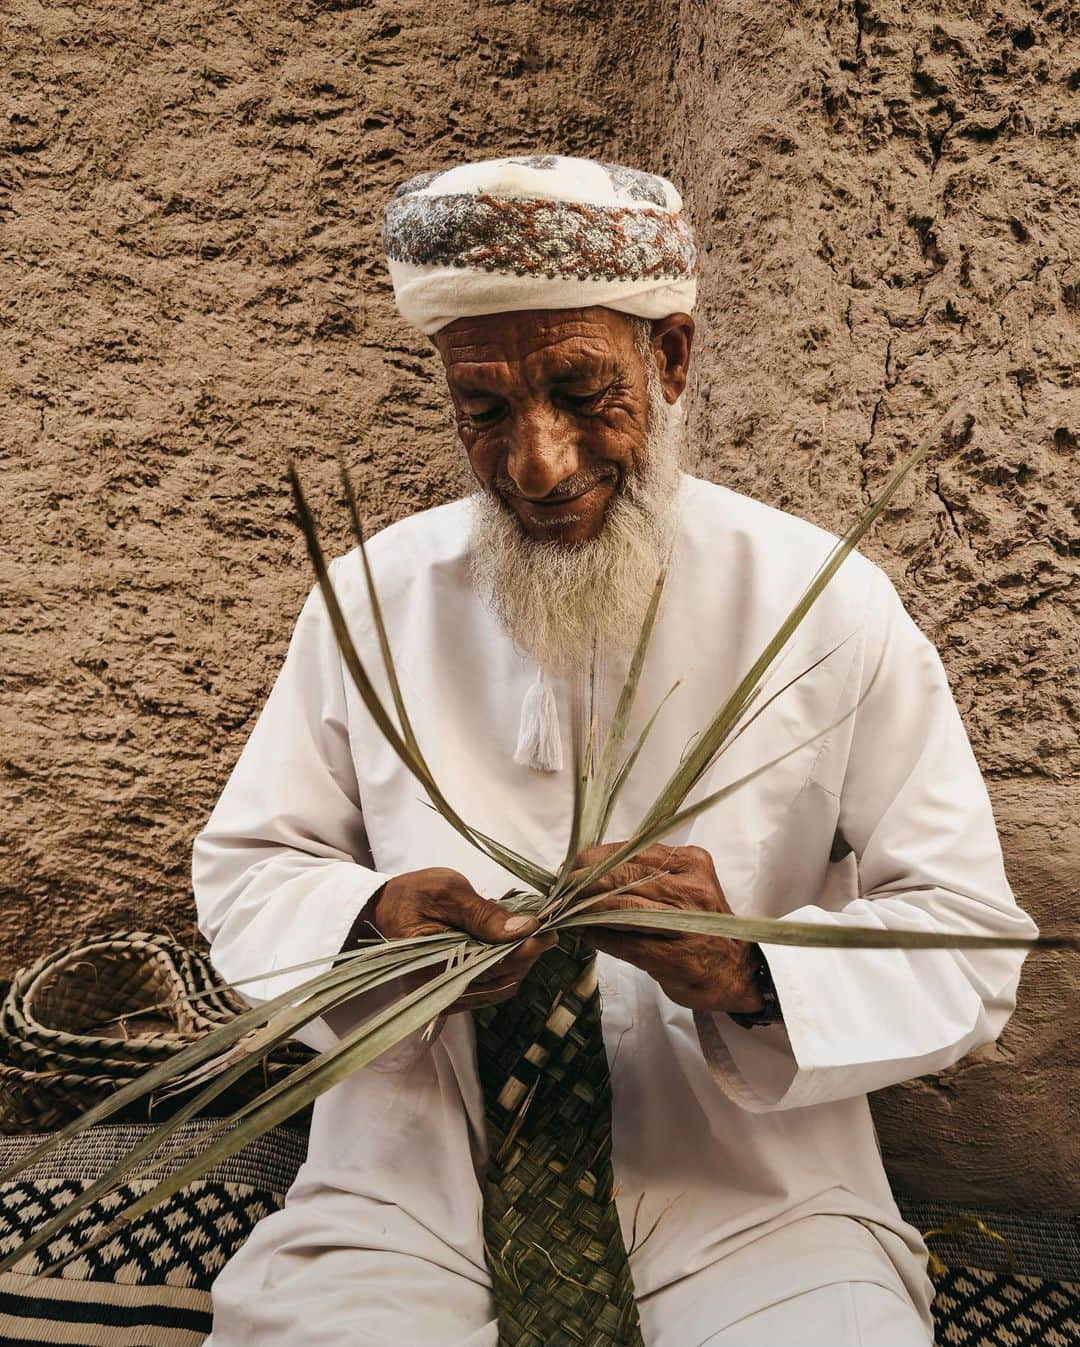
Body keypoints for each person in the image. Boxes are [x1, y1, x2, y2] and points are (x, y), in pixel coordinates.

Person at [193, 154, 1037, 1346]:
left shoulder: (826, 606)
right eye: (484, 412)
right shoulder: (372, 598)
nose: (537, 464)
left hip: (758, 1210)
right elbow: (247, 872)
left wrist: (746, 972)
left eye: (582, 391)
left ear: (672, 359)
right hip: (405, 1199)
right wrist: (371, 923)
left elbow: (965, 938)